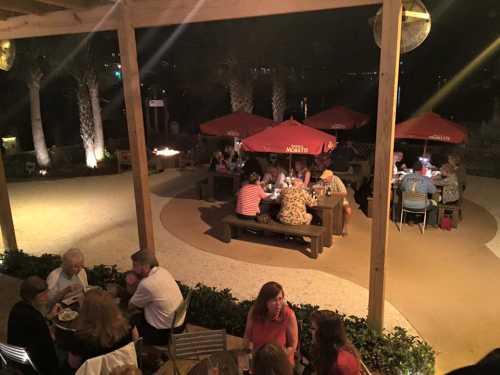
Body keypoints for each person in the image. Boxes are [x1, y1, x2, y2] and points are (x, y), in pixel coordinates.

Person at [66, 289, 137, 370]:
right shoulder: (128, 325)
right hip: (123, 370)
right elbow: (136, 345)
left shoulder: (79, 338)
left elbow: (73, 365)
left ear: (85, 312)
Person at [7, 276, 61, 375]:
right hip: (33, 365)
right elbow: (48, 346)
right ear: (31, 296)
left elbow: (33, 329)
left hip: (17, 359)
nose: (47, 297)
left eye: (47, 293)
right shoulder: (34, 317)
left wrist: (48, 317)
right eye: (43, 295)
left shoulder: (18, 307)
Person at [128, 250, 183, 345]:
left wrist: (130, 283)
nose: (133, 269)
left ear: (146, 266)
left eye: (135, 266)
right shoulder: (162, 271)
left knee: (129, 322)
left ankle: (137, 352)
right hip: (179, 323)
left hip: (164, 334)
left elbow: (131, 306)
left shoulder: (146, 284)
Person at [244, 282, 298, 365]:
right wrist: (248, 354)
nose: (278, 304)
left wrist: (276, 359)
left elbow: (293, 345)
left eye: (280, 299)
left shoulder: (288, 315)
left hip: (281, 363)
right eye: (274, 300)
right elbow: (247, 336)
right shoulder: (254, 312)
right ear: (264, 301)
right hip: (259, 361)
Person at [310, 310, 361, 375]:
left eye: (313, 328)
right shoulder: (333, 353)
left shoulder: (339, 364)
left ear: (324, 333)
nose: (310, 331)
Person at [400, 161, 438, 227]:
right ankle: (429, 223)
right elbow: (433, 191)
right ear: (422, 169)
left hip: (406, 204)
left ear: (413, 169)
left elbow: (401, 188)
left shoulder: (406, 177)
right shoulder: (426, 179)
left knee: (412, 198)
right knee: (434, 203)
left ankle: (411, 220)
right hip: (421, 205)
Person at [320, 170, 352, 236]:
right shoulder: (323, 181)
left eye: (325, 179)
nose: (324, 180)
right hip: (327, 201)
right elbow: (317, 187)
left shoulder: (337, 180)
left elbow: (344, 193)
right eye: (323, 179)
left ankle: (345, 227)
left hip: (340, 200)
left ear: (330, 177)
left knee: (348, 211)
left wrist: (331, 193)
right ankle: (326, 227)